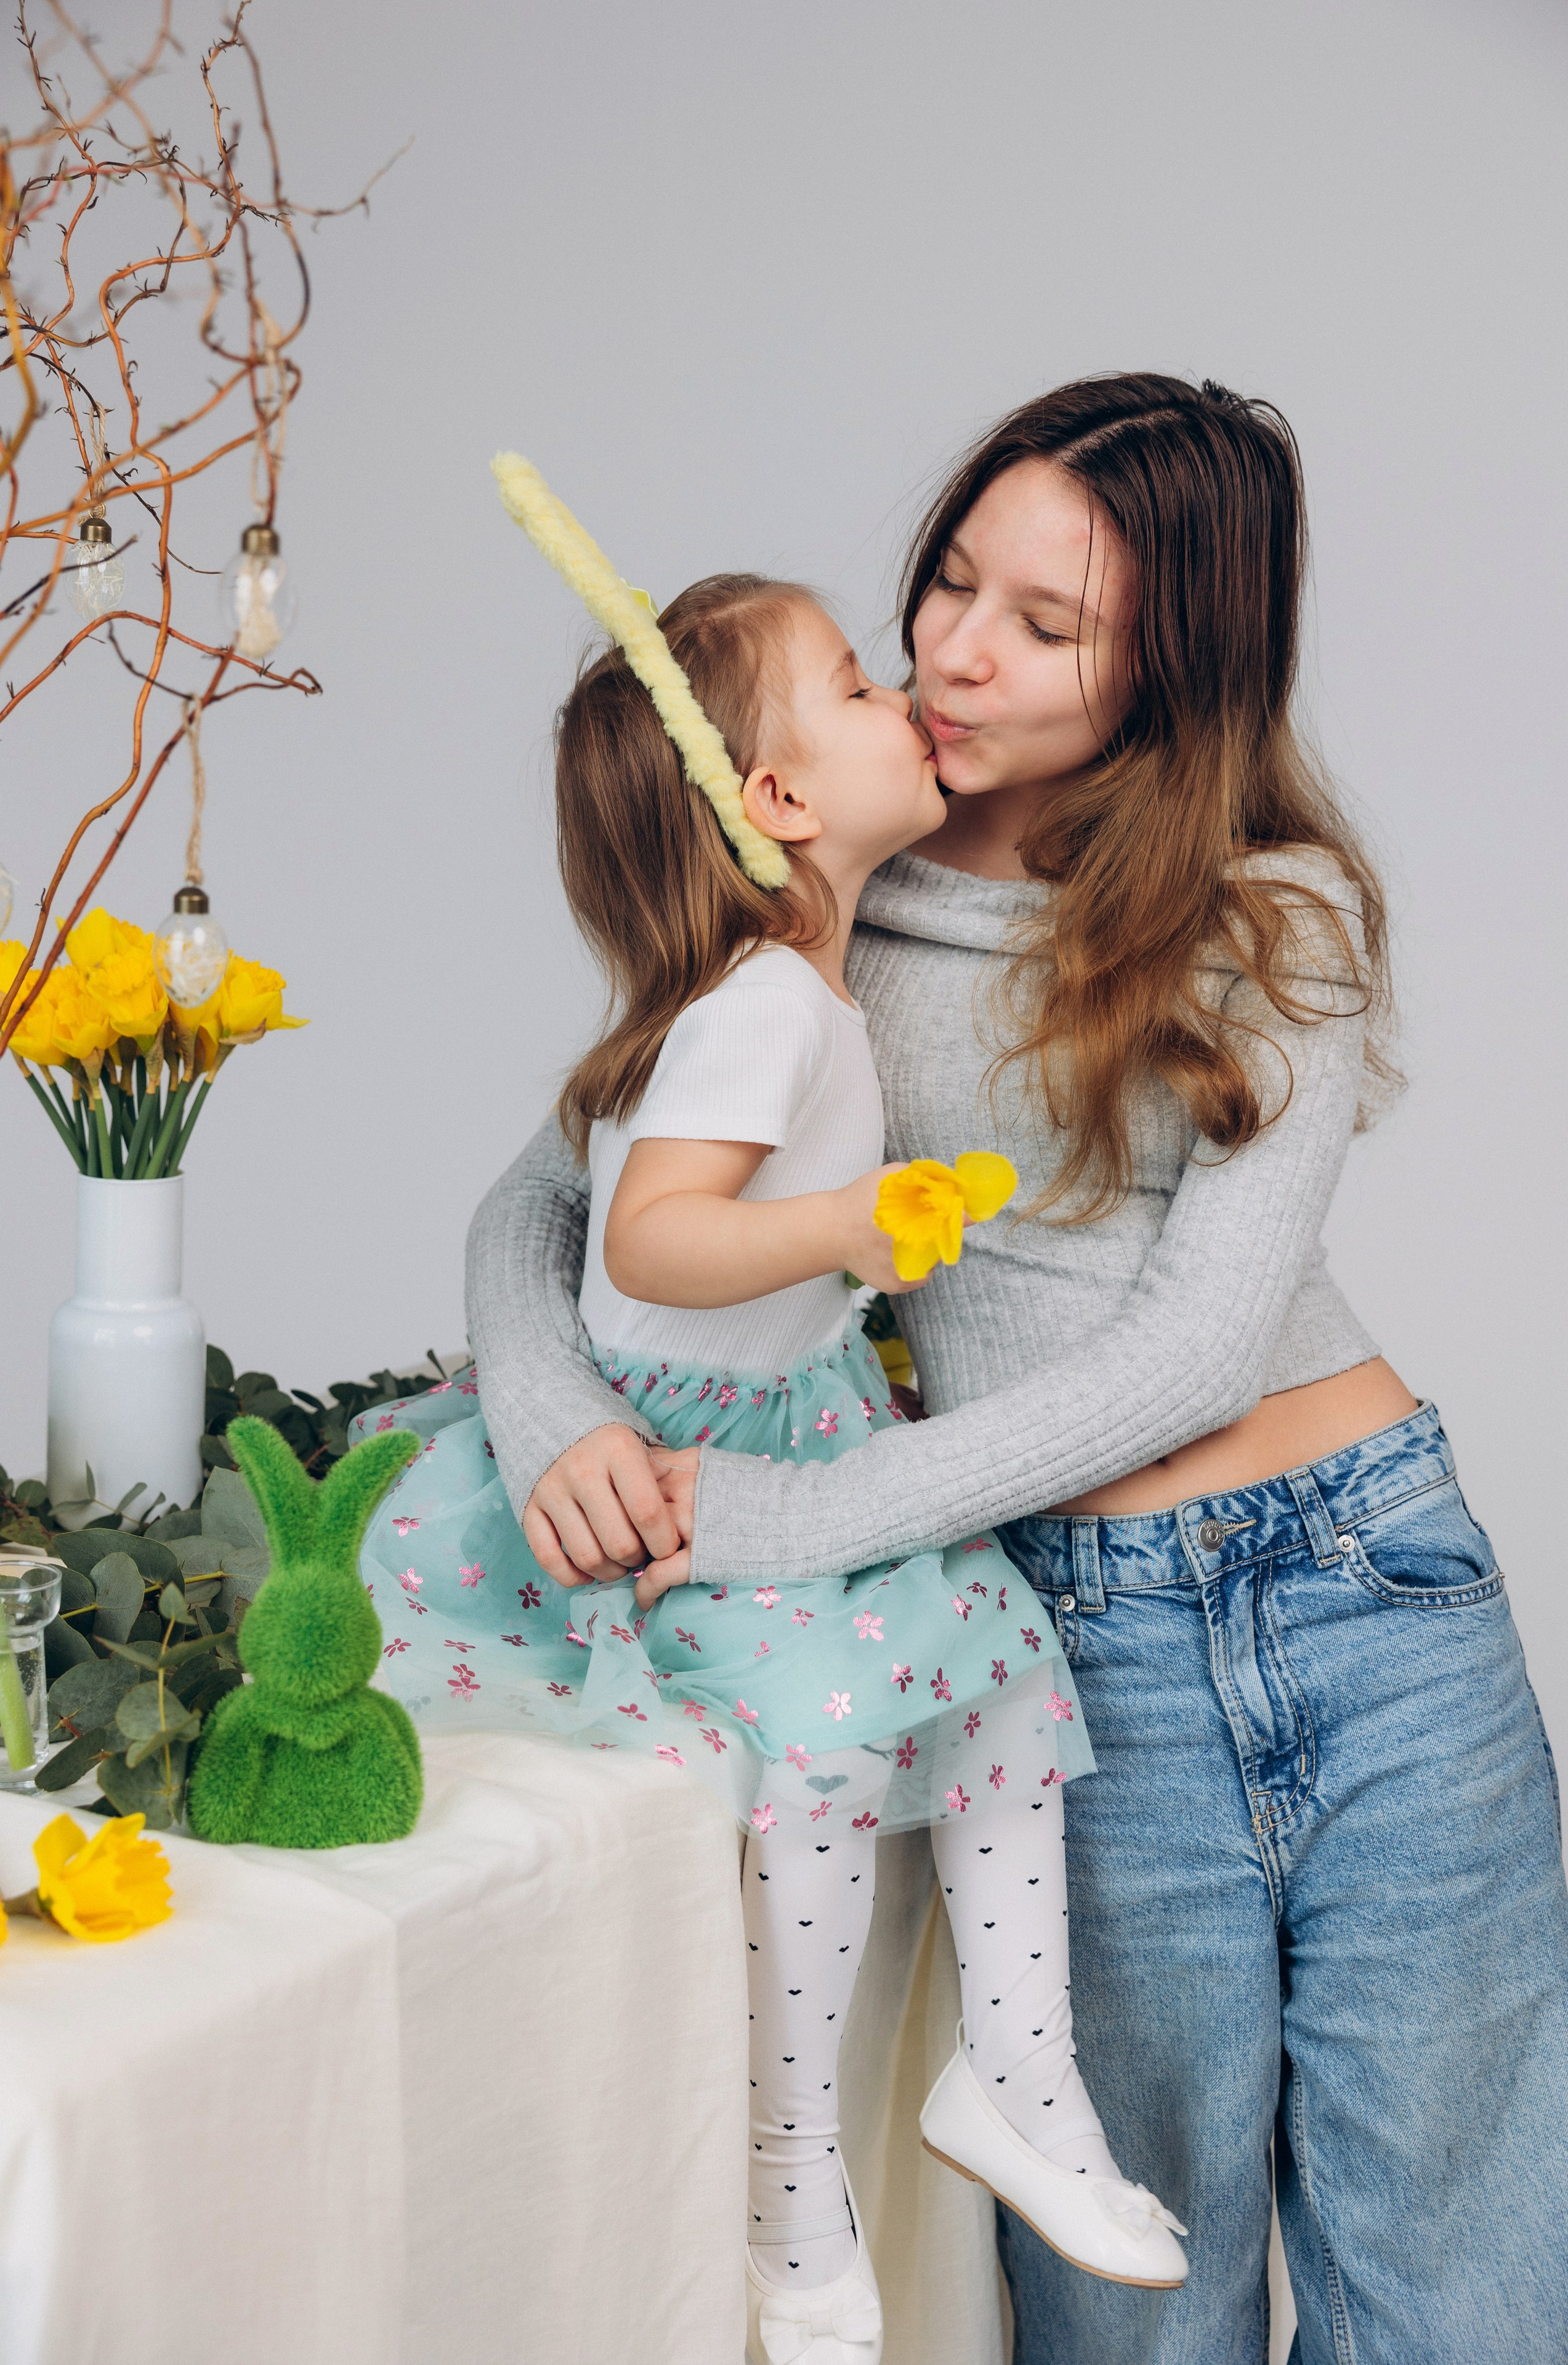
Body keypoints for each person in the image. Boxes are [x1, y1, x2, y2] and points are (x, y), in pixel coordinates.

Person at [468, 379, 1568, 2365]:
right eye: (952, 580)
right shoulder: (815, 896)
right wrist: (561, 1427)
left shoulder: (1275, 913)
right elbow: (547, 1202)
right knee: (1125, 2315)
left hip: (1380, 1608)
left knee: (1468, 2299)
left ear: (1177, 665)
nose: (955, 652)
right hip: (1080, 1661)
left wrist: (791, 1519)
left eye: (1046, 627)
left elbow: (1201, 1354)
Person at [360, 471, 1189, 2365]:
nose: (916, 683)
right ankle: (789, 2189)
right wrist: (848, 1226)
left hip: (791, 1422)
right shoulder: (769, 1010)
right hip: (702, 1449)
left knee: (987, 1686)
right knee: (817, 1769)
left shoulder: (799, 984)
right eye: (855, 677)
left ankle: (1021, 2080)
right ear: (785, 804)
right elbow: (647, 1244)